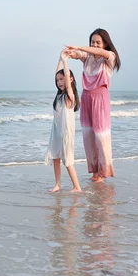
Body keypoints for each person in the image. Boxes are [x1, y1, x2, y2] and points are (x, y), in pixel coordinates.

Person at [66, 28, 121, 182]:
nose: (95, 45)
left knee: (100, 135)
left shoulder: (110, 57)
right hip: (86, 97)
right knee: (88, 136)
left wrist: (79, 47)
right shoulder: (87, 57)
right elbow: (78, 55)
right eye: (92, 42)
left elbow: (100, 53)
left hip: (100, 98)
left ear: (105, 44)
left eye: (98, 42)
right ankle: (95, 173)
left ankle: (103, 173)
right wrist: (70, 53)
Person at [45, 49, 82, 192]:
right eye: (58, 80)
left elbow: (65, 73)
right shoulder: (59, 96)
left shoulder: (69, 97)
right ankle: (58, 184)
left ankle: (77, 187)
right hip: (56, 131)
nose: (60, 82)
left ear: (70, 79)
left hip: (66, 131)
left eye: (63, 79)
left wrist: (66, 61)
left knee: (67, 160)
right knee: (55, 157)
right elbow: (58, 72)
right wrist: (60, 57)